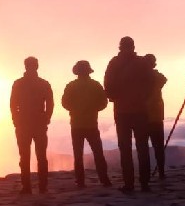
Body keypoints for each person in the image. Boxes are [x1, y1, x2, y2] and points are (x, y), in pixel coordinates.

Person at [104, 36, 151, 193]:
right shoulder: (142, 63)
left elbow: (108, 85)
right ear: (133, 46)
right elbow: (151, 84)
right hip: (140, 110)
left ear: (120, 47)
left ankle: (129, 183)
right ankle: (145, 183)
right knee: (143, 147)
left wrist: (115, 97)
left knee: (125, 148)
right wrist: (143, 98)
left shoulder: (114, 63)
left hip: (122, 111)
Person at [61, 60, 111, 189]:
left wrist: (75, 109)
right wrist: (93, 108)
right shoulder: (95, 85)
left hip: (76, 124)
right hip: (91, 124)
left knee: (78, 154)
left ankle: (80, 181)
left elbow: (65, 103)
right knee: (98, 153)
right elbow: (103, 102)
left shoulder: (71, 86)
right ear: (88, 71)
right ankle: (104, 179)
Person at [10, 56, 54, 194]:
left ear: (25, 66)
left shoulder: (18, 83)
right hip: (39, 124)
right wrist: (46, 118)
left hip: (23, 124)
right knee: (41, 156)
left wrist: (16, 120)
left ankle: (26, 187)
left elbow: (13, 104)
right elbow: (50, 103)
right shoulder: (44, 83)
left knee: (24, 156)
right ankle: (43, 186)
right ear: (37, 66)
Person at [144, 53, 167, 179]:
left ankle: (145, 174)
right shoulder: (157, 77)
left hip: (143, 116)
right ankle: (161, 172)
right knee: (158, 146)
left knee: (143, 147)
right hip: (157, 116)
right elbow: (164, 79)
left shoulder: (140, 77)